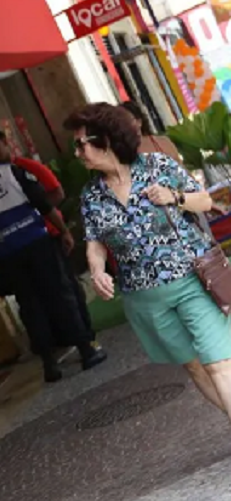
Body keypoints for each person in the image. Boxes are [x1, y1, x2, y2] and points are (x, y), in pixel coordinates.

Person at [65, 104, 231, 422]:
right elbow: (95, 242)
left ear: (106, 140)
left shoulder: (157, 166)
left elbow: (205, 200)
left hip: (191, 280)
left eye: (81, 144)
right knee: (195, 367)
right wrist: (98, 271)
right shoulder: (91, 195)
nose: (77, 153)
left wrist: (175, 197)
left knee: (218, 364)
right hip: (145, 298)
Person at [0, 134, 106, 382]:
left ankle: (49, 365)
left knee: (30, 306)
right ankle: (86, 350)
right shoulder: (12, 172)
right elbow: (43, 204)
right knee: (60, 295)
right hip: (37, 244)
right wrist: (64, 230)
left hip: (6, 255)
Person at [0, 129, 96, 340]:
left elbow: (57, 193)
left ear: (5, 143)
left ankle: (85, 332)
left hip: (48, 234)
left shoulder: (25, 167)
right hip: (22, 244)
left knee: (65, 286)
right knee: (40, 295)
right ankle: (61, 336)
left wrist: (35, 213)